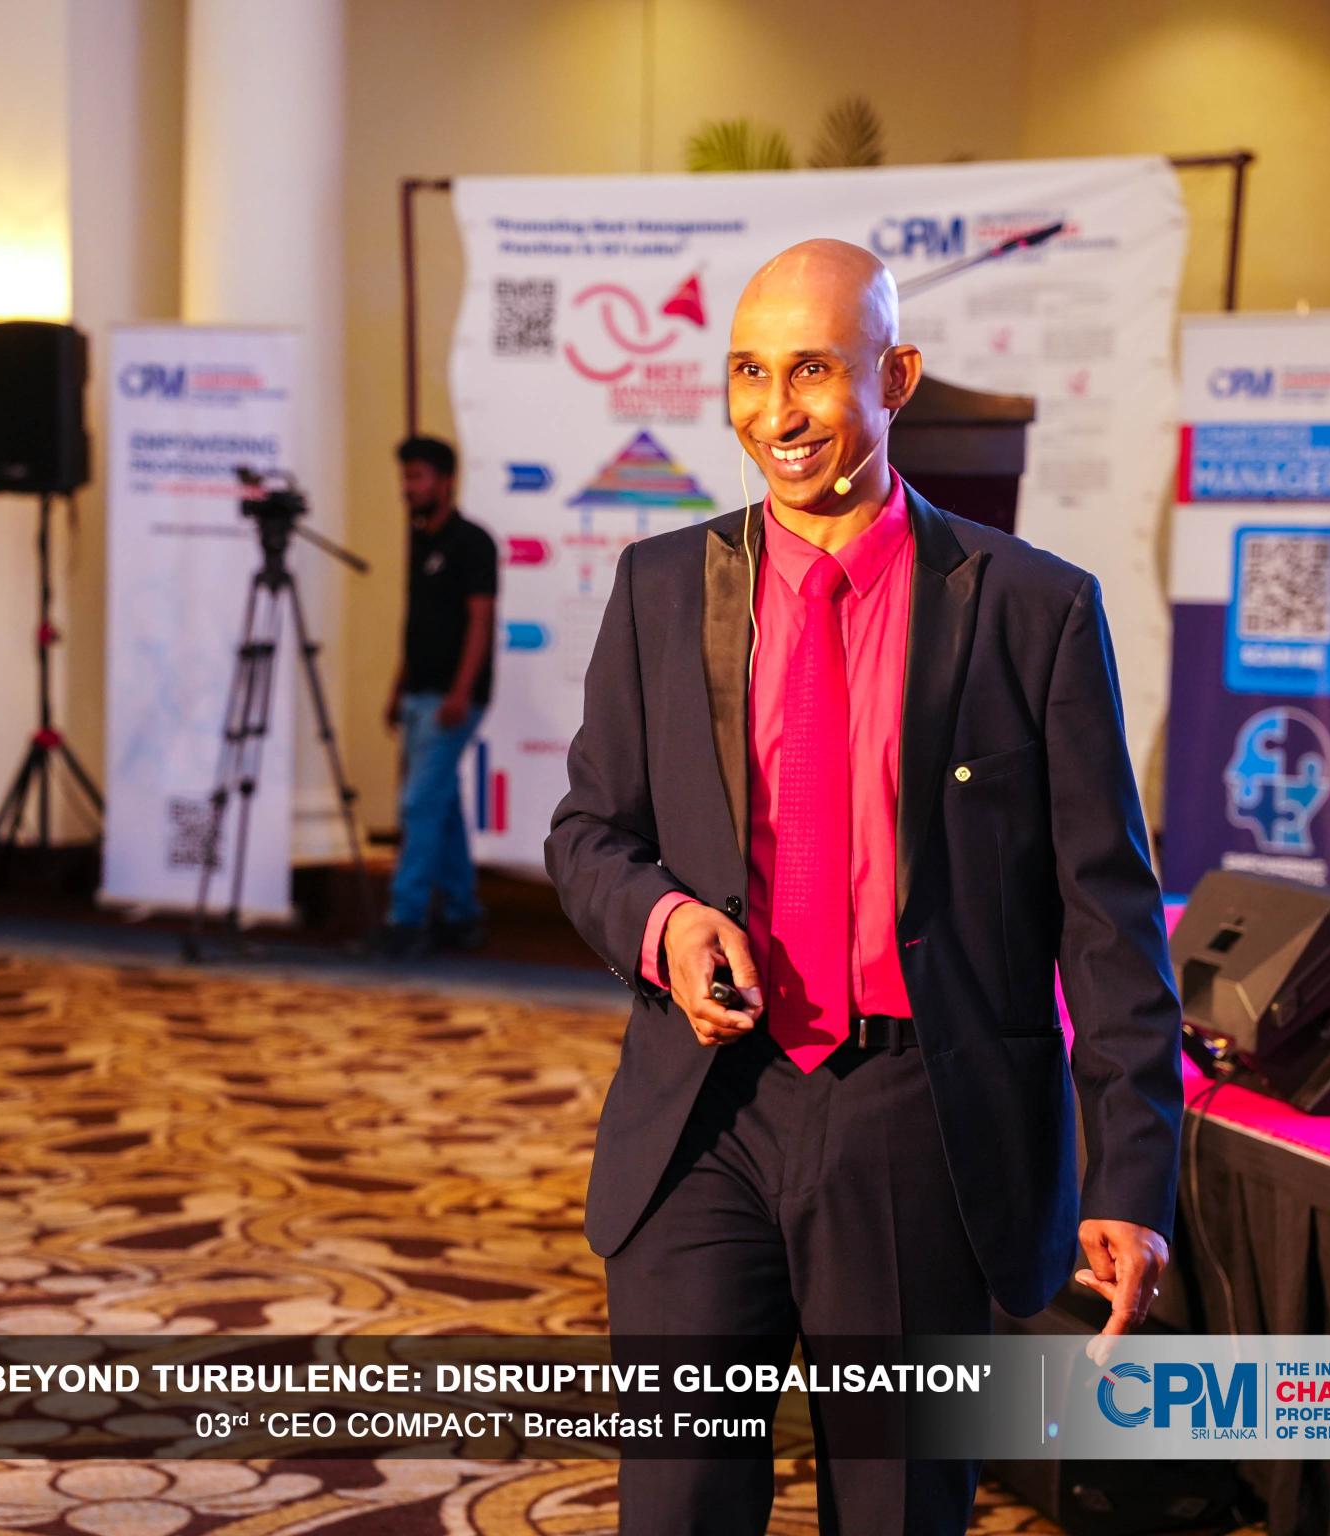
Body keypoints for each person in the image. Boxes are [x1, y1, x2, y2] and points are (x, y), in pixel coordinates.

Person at [545, 240, 1183, 1533]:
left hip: (916, 1123)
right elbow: (588, 836)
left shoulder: (1033, 611)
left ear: (896, 378)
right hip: (702, 1120)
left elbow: (1106, 918)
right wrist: (666, 924)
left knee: (896, 1511)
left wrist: (1130, 1175)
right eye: (749, 372)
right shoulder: (661, 589)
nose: (775, 413)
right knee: (675, 1509)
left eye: (813, 371)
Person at [381, 435, 498, 958]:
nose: (408, 487)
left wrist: (461, 692)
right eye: (405, 477)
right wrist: (397, 688)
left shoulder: (473, 542)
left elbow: (480, 621)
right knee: (441, 807)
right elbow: (416, 624)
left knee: (418, 805)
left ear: (446, 481)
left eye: (417, 477)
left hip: (452, 700)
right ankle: (461, 915)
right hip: (417, 696)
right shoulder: (418, 539)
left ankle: (405, 921)